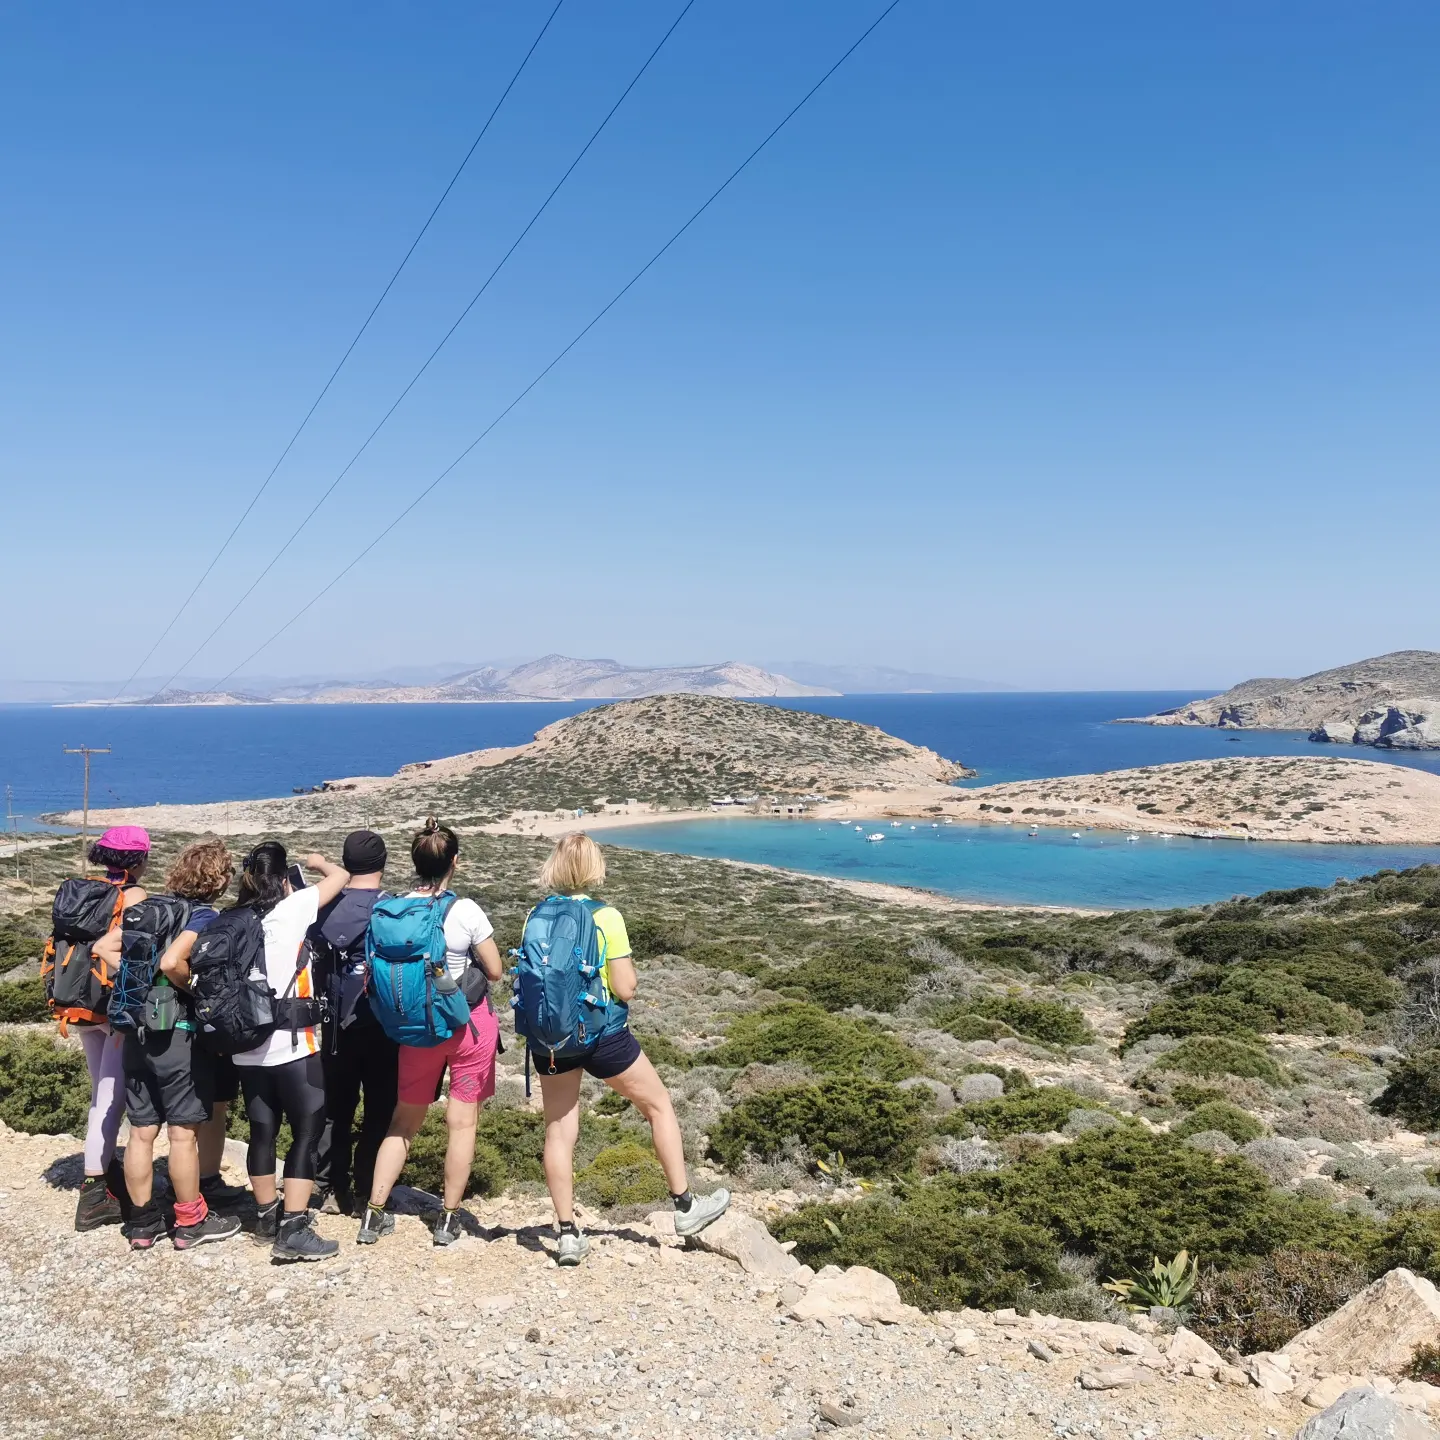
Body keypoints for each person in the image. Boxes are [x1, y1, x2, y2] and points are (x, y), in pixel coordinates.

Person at [528, 833, 729, 1266]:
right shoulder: (606, 916)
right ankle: (685, 1207)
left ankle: (566, 1234)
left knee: (559, 1131)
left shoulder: (536, 914)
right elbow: (626, 987)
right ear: (593, 868)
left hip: (551, 1041)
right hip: (603, 1036)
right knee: (658, 1106)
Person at [357, 819, 502, 1248]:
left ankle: (374, 1214)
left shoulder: (393, 910)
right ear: (454, 862)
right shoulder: (466, 910)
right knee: (462, 1124)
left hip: (414, 1029)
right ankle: (448, 1219)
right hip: (465, 1027)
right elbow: (494, 970)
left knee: (403, 1122)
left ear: (416, 862)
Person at [121, 837, 243, 1251]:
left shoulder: (148, 909)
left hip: (136, 1028)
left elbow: (105, 948)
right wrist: (192, 987)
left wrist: (140, 989)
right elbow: (172, 961)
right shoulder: (203, 915)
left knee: (140, 1131)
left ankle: (141, 1224)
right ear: (218, 879)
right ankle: (191, 1220)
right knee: (182, 1134)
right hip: (176, 1033)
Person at [230, 842, 349, 1261]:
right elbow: (341, 878)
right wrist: (316, 865)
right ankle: (294, 1226)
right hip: (294, 1046)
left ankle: (264, 1217)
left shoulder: (234, 918)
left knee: (261, 1131)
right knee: (306, 1132)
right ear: (283, 878)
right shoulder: (294, 907)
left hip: (245, 1047)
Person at [310, 829, 395, 1216]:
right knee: (380, 1109)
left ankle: (325, 1183)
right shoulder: (391, 908)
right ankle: (367, 1191)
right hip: (381, 1025)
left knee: (333, 1108)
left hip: (331, 1024)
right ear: (383, 863)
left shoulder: (320, 905)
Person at [72, 825, 150, 1231]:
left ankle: (102, 1171)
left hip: (82, 1003)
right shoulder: (134, 896)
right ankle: (95, 1192)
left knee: (99, 1094)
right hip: (115, 1007)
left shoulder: (81, 889)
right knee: (111, 1099)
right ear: (138, 860)